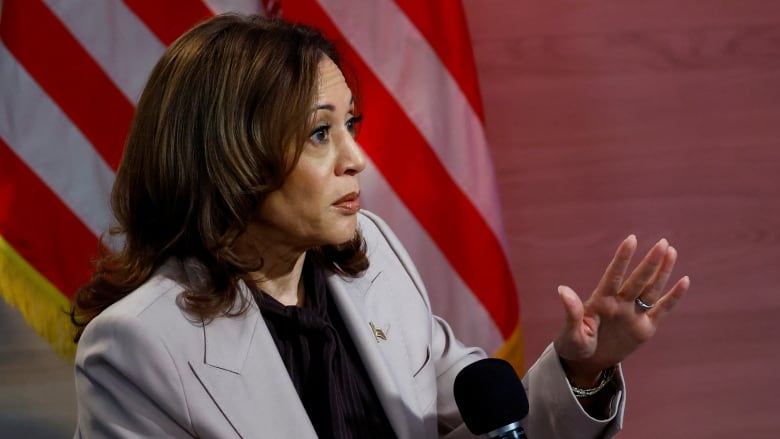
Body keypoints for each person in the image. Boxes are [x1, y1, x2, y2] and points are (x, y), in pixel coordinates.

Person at [70, 13, 690, 439]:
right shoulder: (136, 348)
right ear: (231, 155)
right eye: (320, 133)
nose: (356, 159)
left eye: (351, 126)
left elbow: (483, 417)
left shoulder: (377, 256)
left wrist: (585, 367)